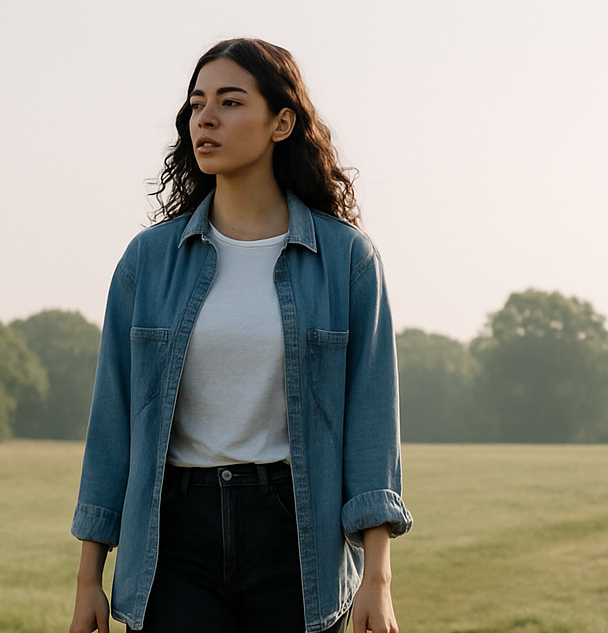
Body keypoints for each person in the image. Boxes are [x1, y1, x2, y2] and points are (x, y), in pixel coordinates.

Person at [69, 38, 412, 633]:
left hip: (297, 535)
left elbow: (371, 423)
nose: (206, 117)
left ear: (282, 122)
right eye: (197, 103)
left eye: (230, 102)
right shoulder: (148, 261)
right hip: (174, 537)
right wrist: (87, 580)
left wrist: (376, 580)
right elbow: (113, 419)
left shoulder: (346, 260)